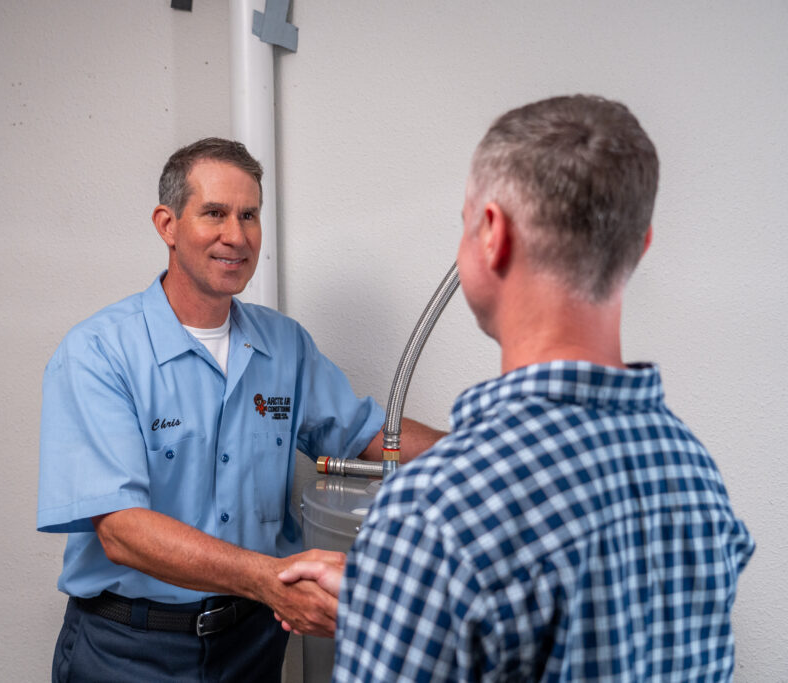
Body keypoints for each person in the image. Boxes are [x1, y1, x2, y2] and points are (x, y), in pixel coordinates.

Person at [278, 95, 755, 681]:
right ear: (641, 245)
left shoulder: (432, 516)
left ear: (493, 235)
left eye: (465, 222)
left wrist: (406, 583)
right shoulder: (691, 471)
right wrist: (391, 597)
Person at [37, 137, 444, 682]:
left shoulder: (285, 346)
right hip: (131, 650)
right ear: (167, 224)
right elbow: (122, 529)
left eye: (249, 215)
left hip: (251, 647)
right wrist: (269, 579)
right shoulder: (99, 353)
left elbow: (369, 436)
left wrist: (495, 452)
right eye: (215, 213)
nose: (236, 235)